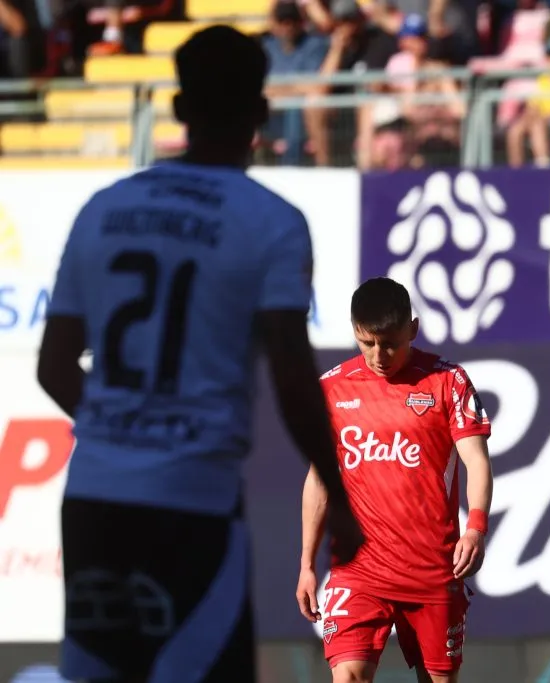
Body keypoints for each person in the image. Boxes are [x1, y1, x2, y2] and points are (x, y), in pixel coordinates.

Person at [37, 25, 363, 683]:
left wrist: (119, 430)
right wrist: (340, 495)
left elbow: (53, 366)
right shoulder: (271, 220)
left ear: (180, 108)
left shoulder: (104, 209)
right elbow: (292, 376)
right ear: (261, 111)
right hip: (193, 501)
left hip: (94, 498)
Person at [295, 277, 494, 683]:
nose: (378, 355)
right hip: (358, 570)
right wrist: (307, 563)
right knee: (348, 677)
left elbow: (476, 460)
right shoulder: (332, 388)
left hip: (431, 570)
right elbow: (318, 481)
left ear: (413, 329)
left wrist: (475, 527)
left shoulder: (447, 380)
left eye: (389, 343)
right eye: (367, 343)